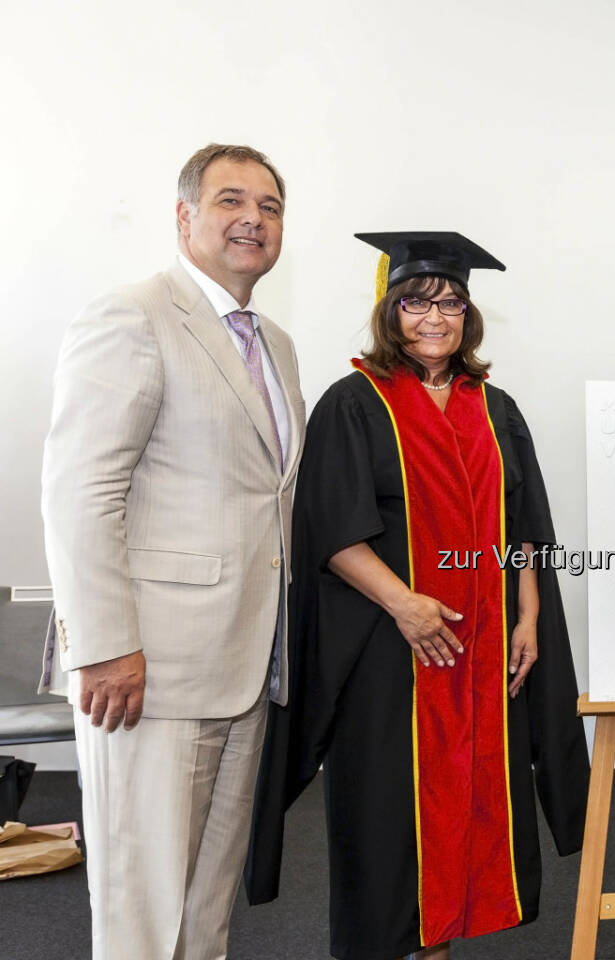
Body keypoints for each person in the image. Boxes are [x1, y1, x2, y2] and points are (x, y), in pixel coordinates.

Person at [246, 232, 589, 960]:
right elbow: (329, 530)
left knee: (468, 805)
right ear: (389, 310)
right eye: (417, 302)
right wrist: (403, 604)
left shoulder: (497, 409)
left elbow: (524, 527)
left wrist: (529, 617)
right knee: (389, 816)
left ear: (469, 316)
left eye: (451, 303)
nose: (435, 317)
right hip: (388, 652)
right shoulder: (354, 403)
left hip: (484, 648)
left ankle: (441, 948)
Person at [39, 143, 303, 959]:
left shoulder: (275, 345)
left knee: (204, 912)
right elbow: (79, 492)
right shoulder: (134, 315)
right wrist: (108, 645)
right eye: (230, 201)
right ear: (184, 217)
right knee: (141, 912)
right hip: (146, 674)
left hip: (244, 666)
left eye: (269, 206)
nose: (252, 219)